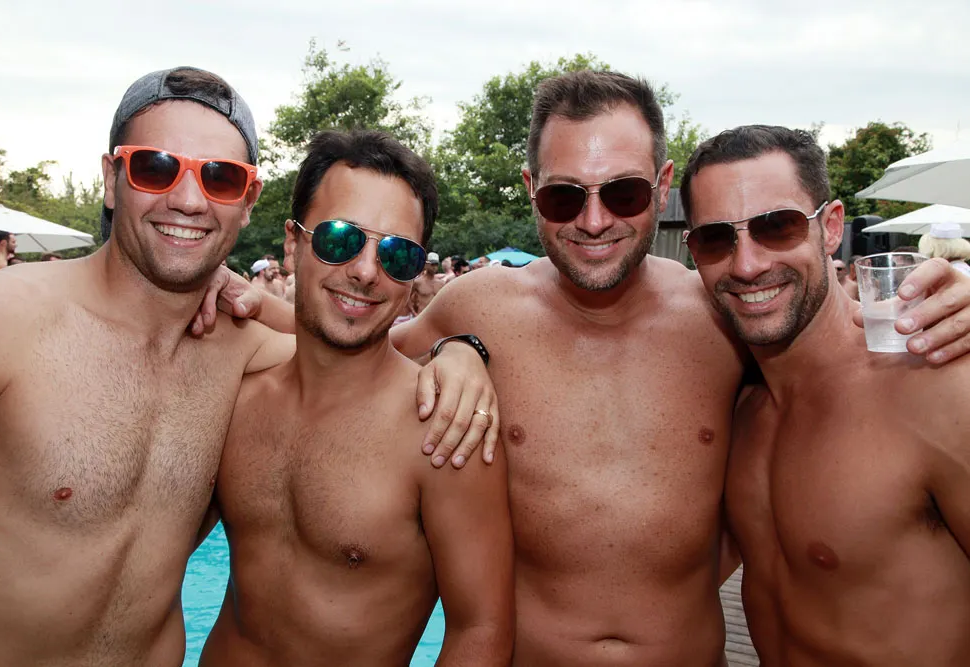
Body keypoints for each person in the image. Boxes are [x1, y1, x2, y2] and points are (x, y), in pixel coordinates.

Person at [211, 70, 970, 666]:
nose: (596, 219)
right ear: (531, 191)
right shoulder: (479, 307)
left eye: (625, 192)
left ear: (662, 187)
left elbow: (836, 357)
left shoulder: (724, 315)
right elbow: (346, 346)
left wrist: (956, 296)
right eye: (566, 196)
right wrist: (452, 347)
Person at [0, 66, 490, 667]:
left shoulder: (243, 355)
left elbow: (363, 360)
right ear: (112, 179)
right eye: (156, 167)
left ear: (247, 202)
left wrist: (462, 351)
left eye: (220, 178)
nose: (189, 200)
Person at [200, 129, 514, 667]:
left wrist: (463, 349)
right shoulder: (236, 396)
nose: (367, 272)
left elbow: (482, 630)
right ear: (294, 243)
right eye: (340, 239)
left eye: (397, 254)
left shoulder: (442, 428)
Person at [681, 124, 970, 666]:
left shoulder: (935, 386)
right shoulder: (737, 405)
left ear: (831, 226)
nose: (746, 265)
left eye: (778, 226)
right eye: (716, 239)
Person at [410, 250, 442, 314]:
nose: (434, 267)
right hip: (422, 315)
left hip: (436, 316)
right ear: (426, 265)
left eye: (436, 264)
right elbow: (407, 299)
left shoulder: (441, 283)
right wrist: (414, 313)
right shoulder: (418, 282)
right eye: (432, 264)